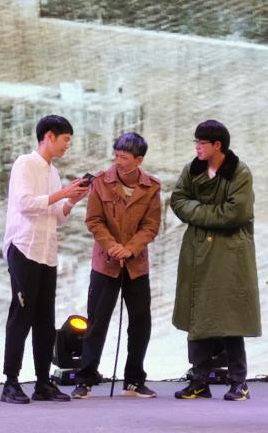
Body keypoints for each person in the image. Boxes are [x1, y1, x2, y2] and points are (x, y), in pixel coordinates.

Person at [0, 115, 91, 404]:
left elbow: (56, 217)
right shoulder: (24, 163)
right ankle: (10, 382)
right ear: (49, 136)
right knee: (21, 316)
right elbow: (25, 204)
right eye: (65, 140)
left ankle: (42, 382)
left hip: (46, 252)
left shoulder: (53, 172)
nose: (67, 146)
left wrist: (71, 200)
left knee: (45, 319)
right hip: (23, 247)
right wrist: (62, 193)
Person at [171, 120, 260, 402]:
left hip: (229, 252)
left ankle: (238, 382)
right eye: (196, 142)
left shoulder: (240, 172)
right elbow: (178, 200)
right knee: (198, 314)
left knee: (230, 317)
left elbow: (235, 213)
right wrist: (208, 212)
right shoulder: (192, 169)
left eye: (202, 143)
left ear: (217, 145)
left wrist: (198, 212)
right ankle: (199, 380)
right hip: (197, 250)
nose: (197, 147)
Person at [73, 132, 161, 399]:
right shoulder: (101, 182)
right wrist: (112, 246)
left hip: (136, 266)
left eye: (124, 158)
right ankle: (86, 378)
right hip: (106, 263)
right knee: (96, 322)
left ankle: (134, 380)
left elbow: (151, 226)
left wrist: (130, 248)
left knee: (140, 322)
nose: (118, 162)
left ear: (139, 160)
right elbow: (94, 221)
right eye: (117, 156)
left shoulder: (152, 187)